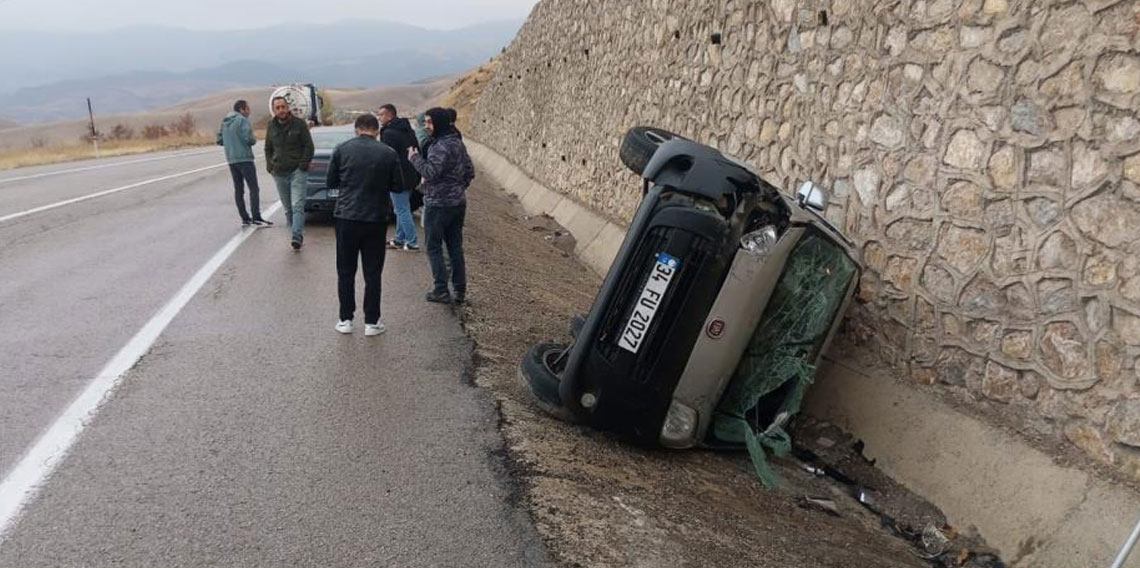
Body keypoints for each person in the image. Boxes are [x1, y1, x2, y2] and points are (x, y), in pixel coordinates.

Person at [326, 113, 404, 336]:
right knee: (372, 272)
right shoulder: (388, 153)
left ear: (356, 129)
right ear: (376, 130)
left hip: (346, 217)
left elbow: (331, 181)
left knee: (345, 271)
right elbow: (398, 186)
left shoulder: (341, 149)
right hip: (375, 219)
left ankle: (345, 319)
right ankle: (372, 321)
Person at [408, 107, 474, 305]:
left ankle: (441, 290)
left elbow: (431, 172)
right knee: (455, 246)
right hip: (458, 204)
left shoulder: (439, 147)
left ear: (439, 123)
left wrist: (414, 158)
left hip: (438, 205)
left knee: (434, 247)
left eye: (429, 122)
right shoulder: (458, 143)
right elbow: (470, 171)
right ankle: (460, 290)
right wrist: (457, 188)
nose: (426, 126)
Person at [265, 96, 314, 250]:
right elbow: (268, 148)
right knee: (288, 209)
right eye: (277, 108)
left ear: (288, 108)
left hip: (297, 171)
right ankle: (293, 232)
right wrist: (270, 166)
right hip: (279, 172)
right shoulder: (271, 126)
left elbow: (309, 146)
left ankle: (297, 236)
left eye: (283, 107)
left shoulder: (299, 124)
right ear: (274, 110)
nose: (281, 110)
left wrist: (303, 165)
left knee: (298, 205)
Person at [216, 100, 271, 226]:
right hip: (245, 158)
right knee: (254, 188)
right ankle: (256, 216)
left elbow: (219, 140)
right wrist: (251, 140)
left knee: (239, 189)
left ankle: (245, 218)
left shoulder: (225, 121)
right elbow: (249, 139)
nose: (249, 111)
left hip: (231, 159)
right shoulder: (242, 120)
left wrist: (231, 143)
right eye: (248, 108)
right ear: (242, 109)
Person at [378, 103, 422, 251]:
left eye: (381, 114)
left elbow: (387, 157)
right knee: (403, 208)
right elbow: (417, 150)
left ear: (390, 115)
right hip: (411, 174)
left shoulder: (388, 133)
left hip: (398, 177)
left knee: (401, 209)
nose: (379, 118)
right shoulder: (408, 130)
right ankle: (399, 239)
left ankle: (412, 242)